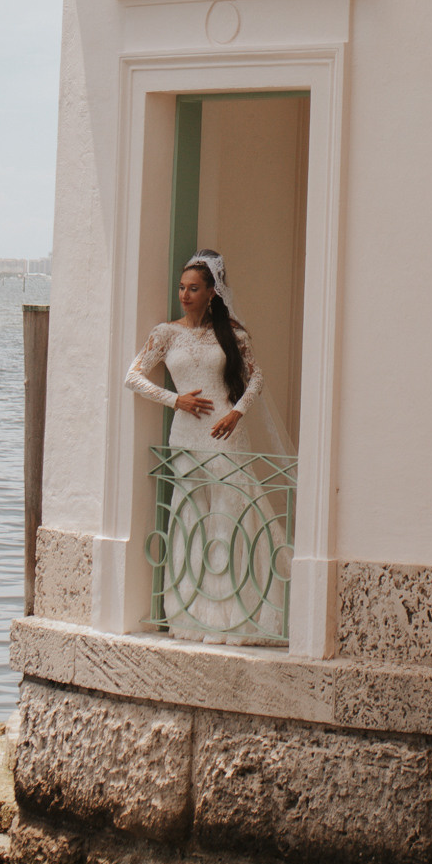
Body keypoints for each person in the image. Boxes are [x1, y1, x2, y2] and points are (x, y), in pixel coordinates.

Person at [126, 254, 274, 632]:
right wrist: (176, 399)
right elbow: (133, 377)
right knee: (190, 514)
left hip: (224, 433)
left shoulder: (232, 334)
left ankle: (233, 614)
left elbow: (256, 379)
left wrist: (236, 413)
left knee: (227, 514)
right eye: (181, 288)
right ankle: (190, 615)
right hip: (186, 435)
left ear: (212, 292)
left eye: (193, 289)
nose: (185, 295)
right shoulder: (165, 334)